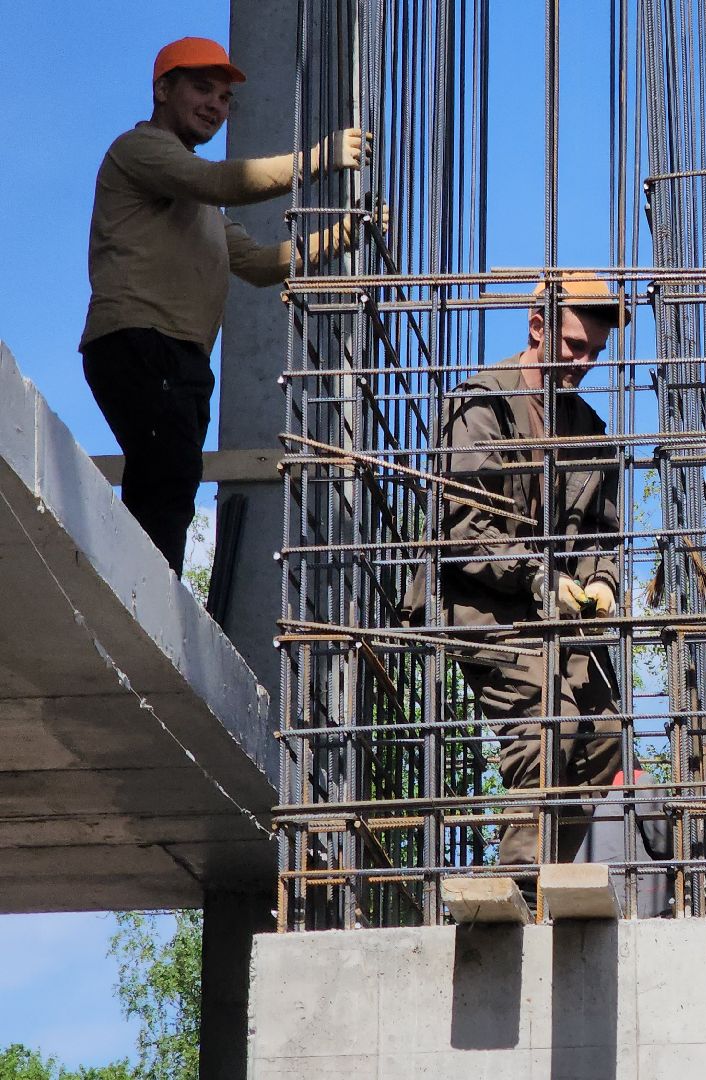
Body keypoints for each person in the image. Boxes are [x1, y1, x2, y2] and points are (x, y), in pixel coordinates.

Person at [80, 36, 373, 574]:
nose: (215, 105)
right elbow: (222, 181)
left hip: (178, 358)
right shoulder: (140, 150)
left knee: (171, 480)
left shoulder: (197, 201)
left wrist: (342, 237)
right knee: (166, 479)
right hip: (140, 341)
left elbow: (258, 264)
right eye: (202, 89)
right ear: (162, 90)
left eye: (224, 98)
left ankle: (150, 588)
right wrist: (317, 159)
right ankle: (147, 593)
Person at [405, 276, 664, 884]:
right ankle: (520, 888)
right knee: (552, 721)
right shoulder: (481, 406)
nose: (584, 362)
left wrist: (603, 582)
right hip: (480, 603)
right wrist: (542, 577)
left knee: (606, 737)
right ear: (537, 326)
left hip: (554, 615)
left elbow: (601, 536)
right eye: (573, 345)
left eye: (595, 352)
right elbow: (465, 528)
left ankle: (550, 874)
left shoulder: (590, 432)